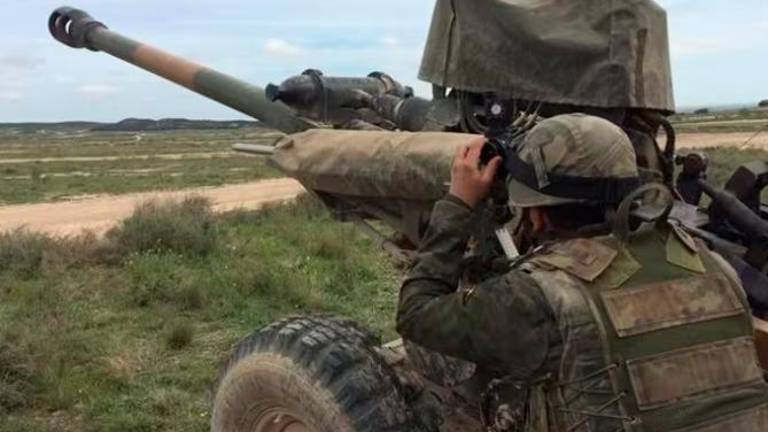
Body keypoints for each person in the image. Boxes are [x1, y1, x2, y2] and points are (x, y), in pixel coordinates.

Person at [397, 114, 768, 431]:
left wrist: (458, 204)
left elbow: (415, 312)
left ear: (537, 213)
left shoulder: (540, 297)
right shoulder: (710, 262)